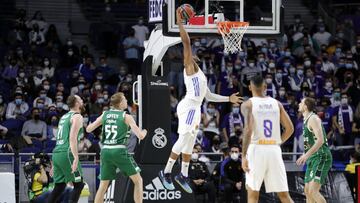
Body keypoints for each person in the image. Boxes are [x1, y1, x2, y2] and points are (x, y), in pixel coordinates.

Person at [159, 7, 242, 194]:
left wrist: (228, 97)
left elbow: (209, 96)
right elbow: (186, 42)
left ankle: (183, 174)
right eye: (192, 53)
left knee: (189, 142)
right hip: (188, 106)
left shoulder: (200, 73)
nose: (194, 54)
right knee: (184, 138)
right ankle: (166, 172)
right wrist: (180, 22)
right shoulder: (189, 65)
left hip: (196, 108)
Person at [241, 75, 294, 203]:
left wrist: (243, 156)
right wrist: (277, 142)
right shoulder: (277, 103)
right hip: (274, 149)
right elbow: (290, 128)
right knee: (284, 195)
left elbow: (248, 129)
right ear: (265, 87)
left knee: (253, 195)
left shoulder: (248, 104)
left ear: (250, 87)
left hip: (256, 149)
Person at [86, 92, 147, 203]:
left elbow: (89, 129)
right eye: (124, 99)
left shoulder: (105, 114)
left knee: (103, 185)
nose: (126, 101)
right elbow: (140, 136)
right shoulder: (126, 116)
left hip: (105, 151)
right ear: (119, 103)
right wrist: (145, 131)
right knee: (138, 180)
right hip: (119, 150)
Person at [46, 95, 85, 203]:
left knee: (59, 186)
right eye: (80, 99)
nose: (82, 101)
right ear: (77, 103)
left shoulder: (64, 117)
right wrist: (76, 157)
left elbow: (60, 138)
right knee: (79, 184)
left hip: (57, 152)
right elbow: (72, 138)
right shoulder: (77, 116)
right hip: (67, 153)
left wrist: (54, 163)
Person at [296, 97, 333, 203]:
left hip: (321, 156)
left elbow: (320, 140)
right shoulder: (306, 119)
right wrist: (306, 154)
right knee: (307, 191)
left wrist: (306, 155)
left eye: (301, 102)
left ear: (305, 107)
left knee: (313, 191)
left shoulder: (313, 118)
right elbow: (311, 141)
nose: (299, 104)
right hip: (313, 157)